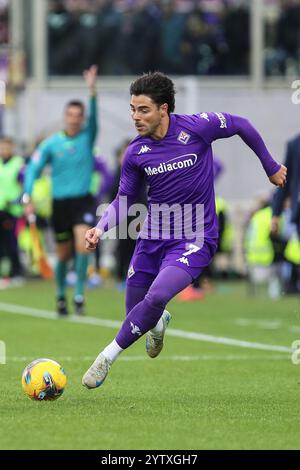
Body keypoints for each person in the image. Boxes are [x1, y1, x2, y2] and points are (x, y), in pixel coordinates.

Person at [82, 71, 287, 389]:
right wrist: (100, 228)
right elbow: (123, 200)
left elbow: (241, 125)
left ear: (164, 109)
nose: (136, 117)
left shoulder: (197, 126)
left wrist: (270, 166)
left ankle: (106, 357)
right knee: (137, 312)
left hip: (195, 236)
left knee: (158, 295)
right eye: (133, 110)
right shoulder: (136, 153)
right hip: (151, 237)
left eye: (143, 110)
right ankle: (158, 320)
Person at [23, 65, 98, 316]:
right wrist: (27, 195)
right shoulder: (52, 144)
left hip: (83, 202)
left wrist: (92, 91)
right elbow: (32, 169)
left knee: (82, 244)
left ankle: (78, 295)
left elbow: (95, 117)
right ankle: (60, 296)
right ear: (66, 116)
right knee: (63, 255)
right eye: (71, 114)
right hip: (60, 205)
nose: (74, 118)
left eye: (79, 114)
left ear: (83, 117)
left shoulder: (88, 137)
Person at [0, 137, 24, 281]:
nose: (3, 149)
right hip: (0, 208)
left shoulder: (18, 164)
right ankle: (5, 273)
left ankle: (16, 272)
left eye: (5, 146)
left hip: (12, 210)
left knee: (11, 242)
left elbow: (24, 184)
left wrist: (18, 200)